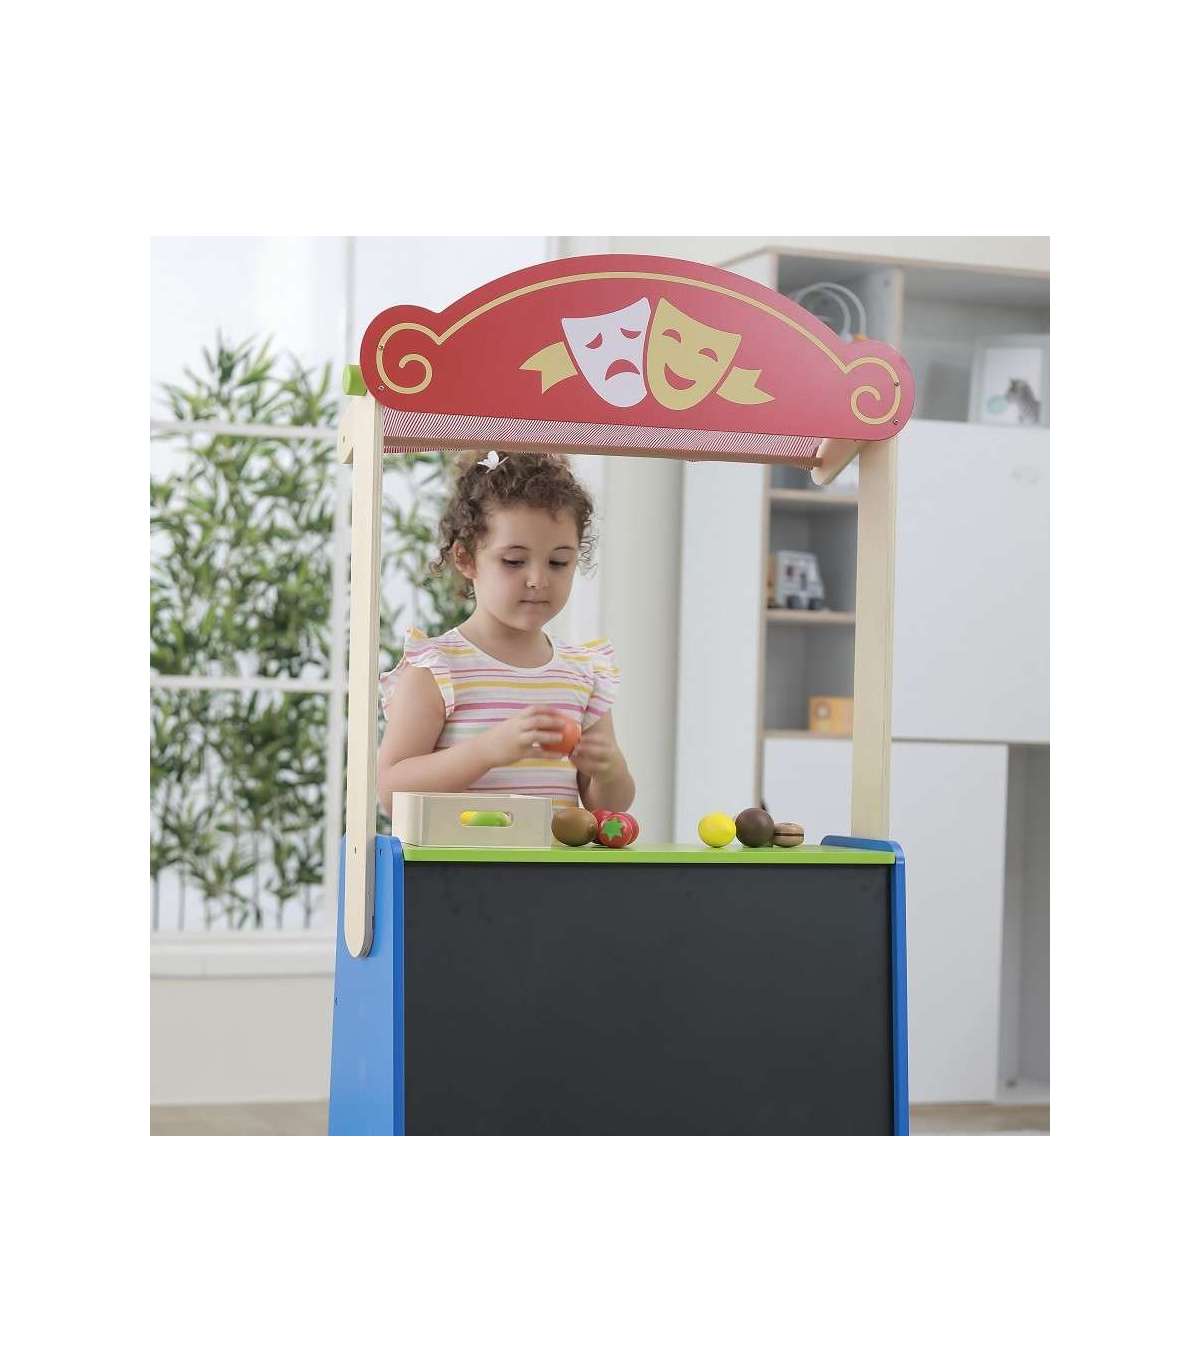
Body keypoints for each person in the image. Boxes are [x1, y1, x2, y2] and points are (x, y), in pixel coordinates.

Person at [377, 450, 636, 819]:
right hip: (459, 859)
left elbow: (607, 807)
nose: (538, 580)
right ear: (465, 559)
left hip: (552, 858)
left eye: (558, 562)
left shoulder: (585, 674)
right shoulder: (437, 669)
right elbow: (391, 792)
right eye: (514, 561)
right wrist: (487, 751)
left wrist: (610, 771)